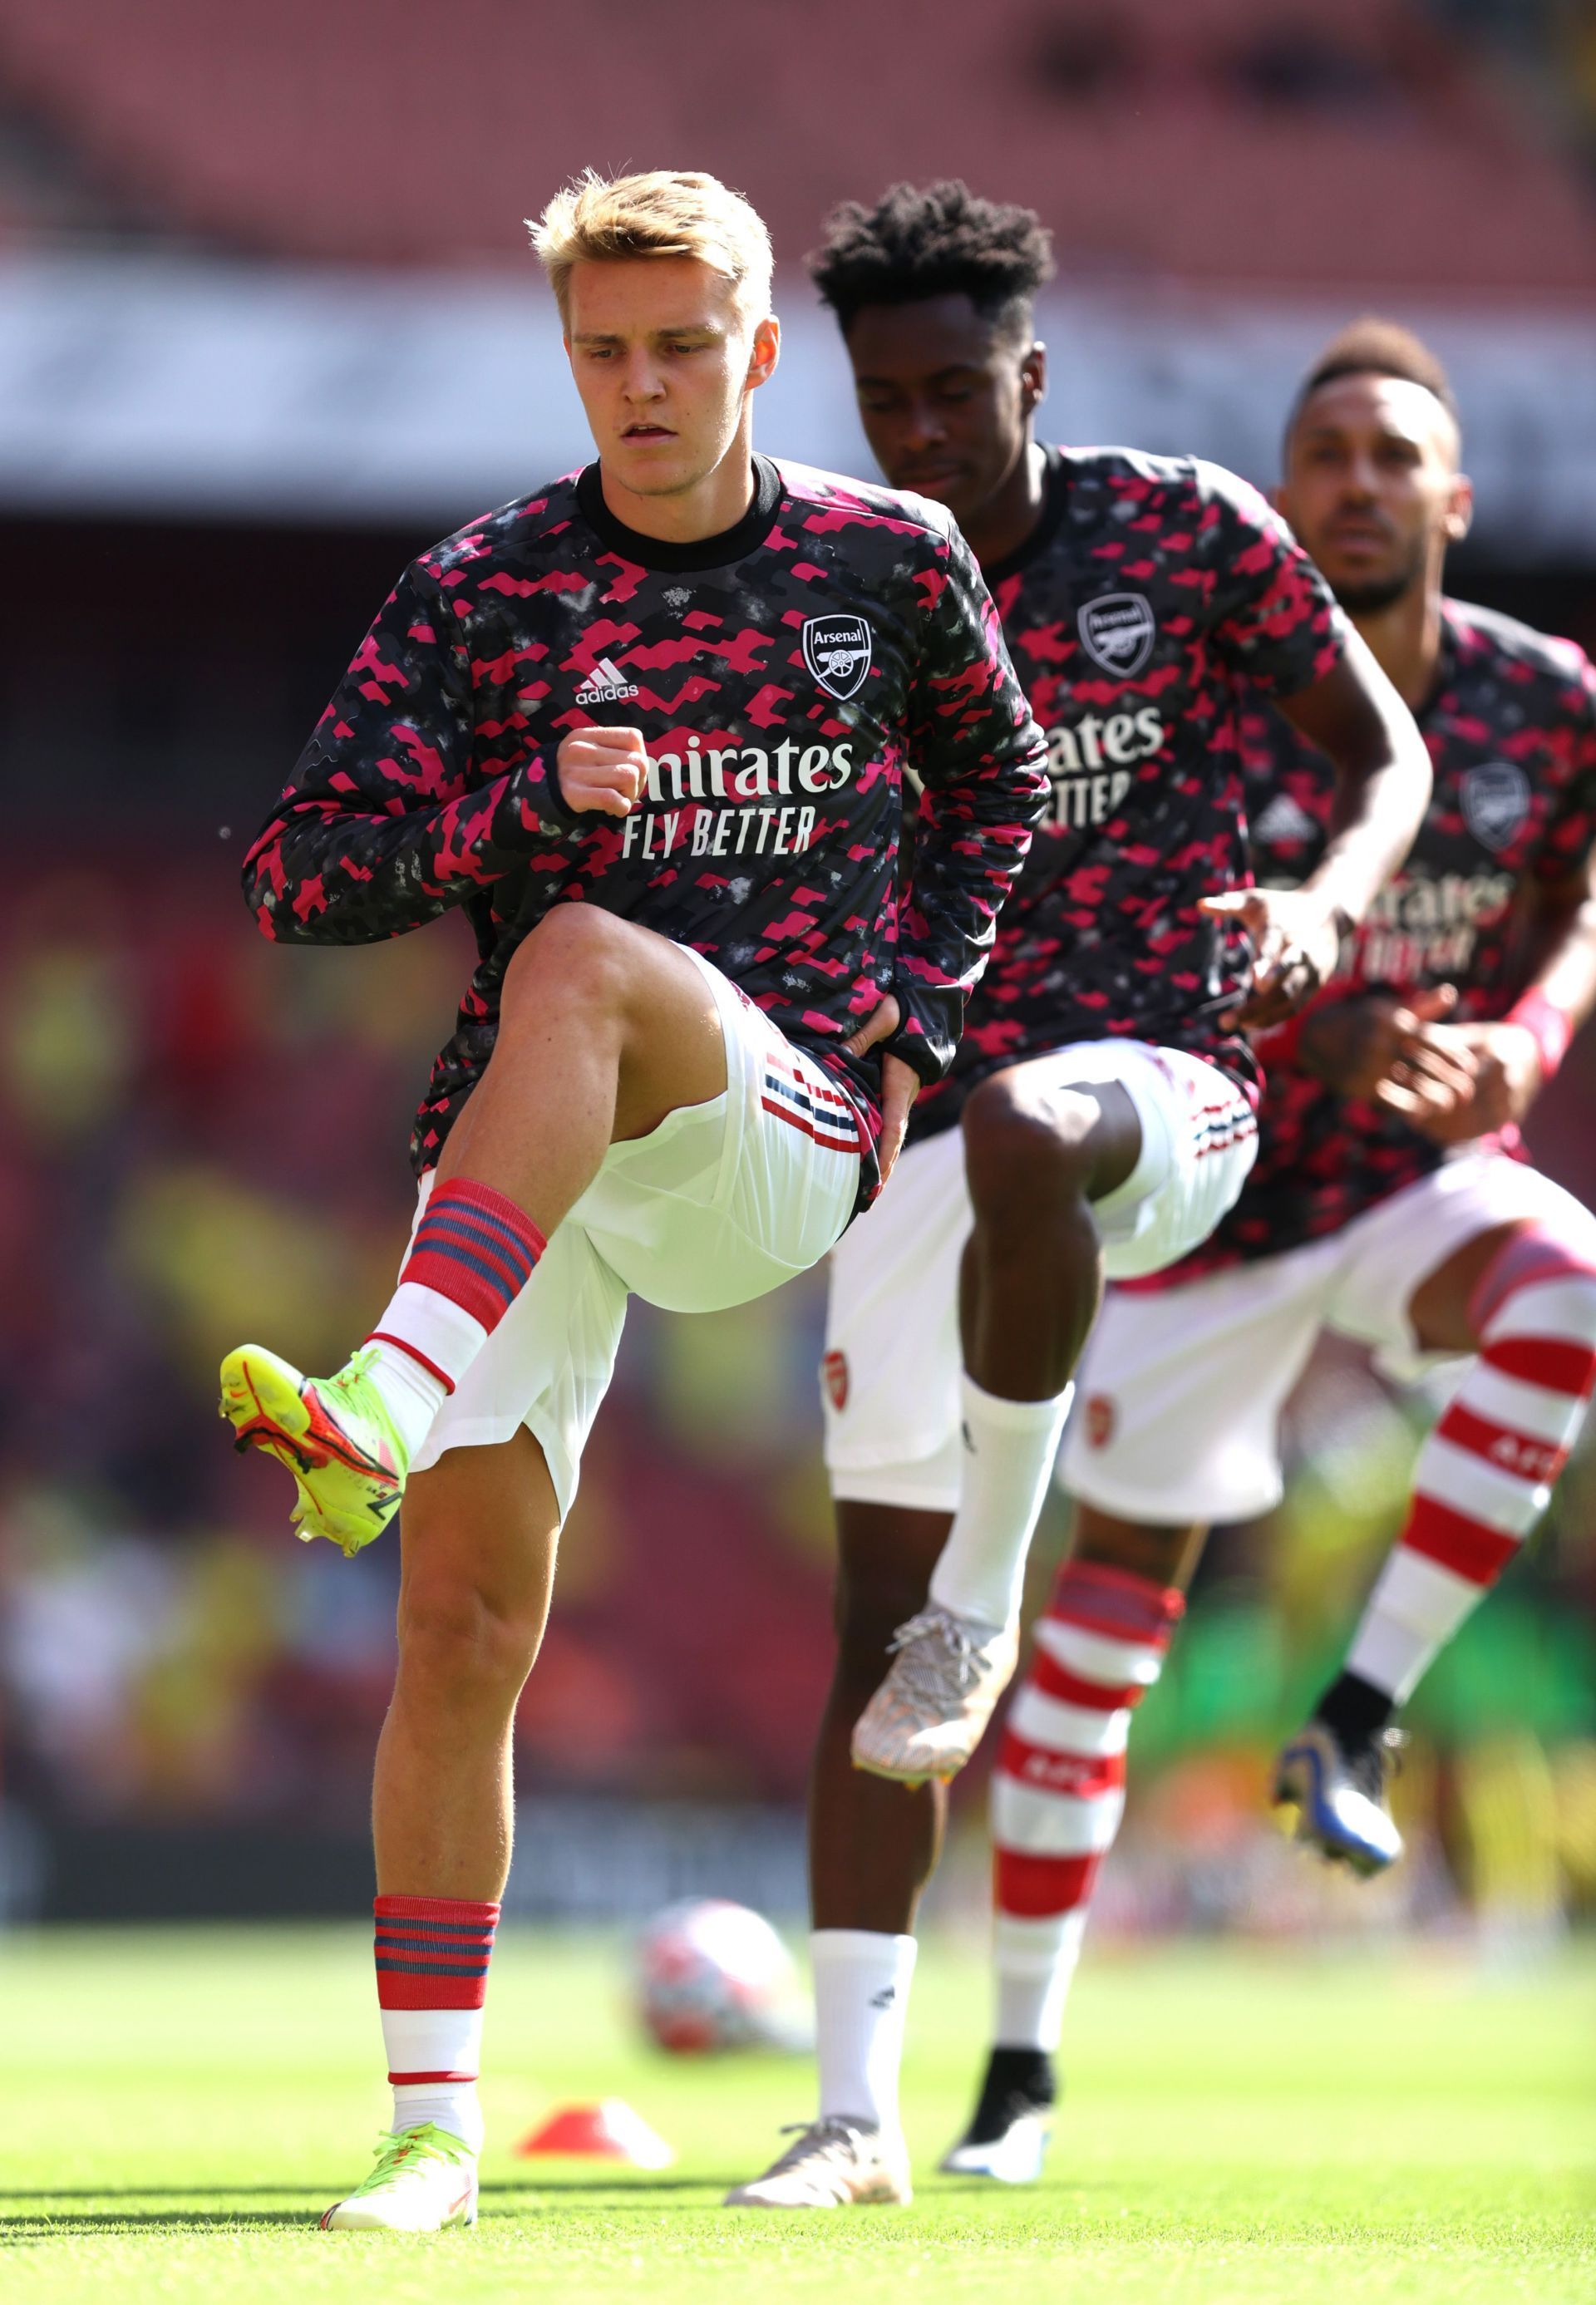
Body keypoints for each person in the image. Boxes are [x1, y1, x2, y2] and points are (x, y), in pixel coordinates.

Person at [220, 167, 1050, 2234]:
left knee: (580, 949)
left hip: (766, 1139)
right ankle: (431, 2135)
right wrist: (514, 804)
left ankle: (383, 1404)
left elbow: (1003, 793)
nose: (645, 384)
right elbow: (297, 873)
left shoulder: (892, 559)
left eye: (685, 344)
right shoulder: (482, 586)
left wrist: (914, 1023)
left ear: (760, 349)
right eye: (606, 350)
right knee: (462, 1623)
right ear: (569, 357)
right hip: (534, 1158)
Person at [727, 185, 1433, 2211]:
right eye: (889, 402)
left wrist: (1322, 901)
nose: (925, 433)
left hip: (1167, 1094)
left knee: (1040, 1127)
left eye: (961, 391)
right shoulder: (835, 587)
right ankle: (855, 2115)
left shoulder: (1186, 530)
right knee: (864, 1636)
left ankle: (990, 1599)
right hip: (907, 1125)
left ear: (1034, 374)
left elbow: (1375, 755)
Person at [957, 318, 1596, 2185]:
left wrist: (1528, 1042)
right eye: (1327, 455)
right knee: (1088, 1672)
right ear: (1283, 499)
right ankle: (1017, 2073)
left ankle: (1357, 1713)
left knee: (1567, 1282)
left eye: (1398, 454)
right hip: (1212, 1214)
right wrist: (1279, 1019)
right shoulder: (1212, 695)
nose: (1362, 482)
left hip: (1407, 1186)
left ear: (1457, 497)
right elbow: (1089, 924)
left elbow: (1583, 890)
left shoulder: (1547, 701)